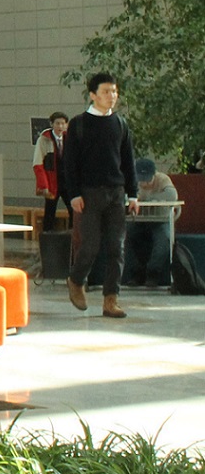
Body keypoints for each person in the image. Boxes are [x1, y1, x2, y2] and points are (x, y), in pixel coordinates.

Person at [60, 72, 138, 318]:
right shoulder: (79, 124)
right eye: (106, 92)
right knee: (90, 245)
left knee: (117, 247)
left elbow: (128, 161)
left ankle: (110, 300)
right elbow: (69, 164)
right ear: (93, 95)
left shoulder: (120, 124)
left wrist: (133, 194)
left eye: (114, 91)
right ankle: (76, 279)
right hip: (89, 194)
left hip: (116, 193)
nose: (111, 96)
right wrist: (73, 195)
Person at [123, 158, 178, 289]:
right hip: (138, 220)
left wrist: (148, 199)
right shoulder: (130, 180)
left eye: (147, 179)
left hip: (160, 219)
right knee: (126, 235)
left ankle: (153, 273)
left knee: (164, 238)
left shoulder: (163, 180)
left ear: (155, 174)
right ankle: (136, 273)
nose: (144, 183)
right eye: (141, 179)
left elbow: (172, 195)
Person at [33, 111, 71, 231]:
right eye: (57, 123)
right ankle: (47, 236)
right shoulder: (44, 140)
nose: (60, 126)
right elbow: (38, 164)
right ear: (52, 124)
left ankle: (73, 235)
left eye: (63, 124)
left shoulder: (69, 138)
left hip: (67, 181)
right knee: (50, 211)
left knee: (74, 209)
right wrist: (43, 185)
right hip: (52, 182)